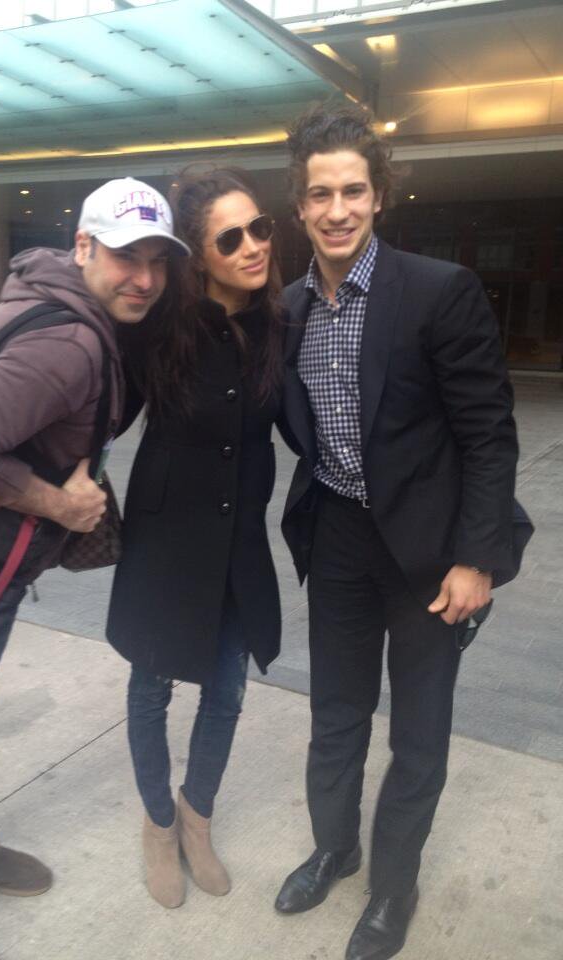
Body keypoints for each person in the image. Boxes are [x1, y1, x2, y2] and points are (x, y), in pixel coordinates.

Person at [0, 177, 189, 960]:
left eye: (156, 260)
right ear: (84, 247)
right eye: (124, 255)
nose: (143, 277)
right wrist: (58, 504)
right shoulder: (69, 342)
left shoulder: (52, 302)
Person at [274, 104, 520, 960]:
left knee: (417, 730)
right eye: (319, 194)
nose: (336, 209)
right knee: (336, 713)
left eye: (352, 191)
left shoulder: (436, 291)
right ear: (299, 206)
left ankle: (392, 888)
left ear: (377, 196)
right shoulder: (289, 309)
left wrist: (476, 558)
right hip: (338, 534)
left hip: (429, 550)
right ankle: (335, 848)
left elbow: (489, 434)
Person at [106, 168, 284, 908]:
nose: (253, 246)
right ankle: (156, 823)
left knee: (227, 691)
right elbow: (99, 409)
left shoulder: (278, 324)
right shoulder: (159, 330)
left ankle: (196, 817)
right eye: (231, 238)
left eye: (261, 228)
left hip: (238, 544)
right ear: (200, 257)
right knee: (151, 689)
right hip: (165, 541)